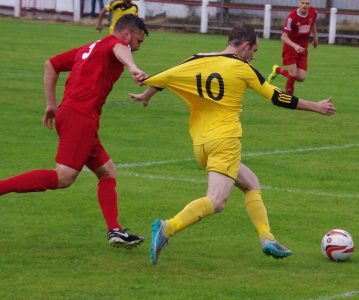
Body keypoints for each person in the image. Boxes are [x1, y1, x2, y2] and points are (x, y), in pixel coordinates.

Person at [130, 23, 336, 265]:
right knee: (216, 202)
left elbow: (169, 76)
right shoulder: (242, 68)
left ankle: (267, 238)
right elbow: (278, 97)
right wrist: (317, 106)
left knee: (251, 183)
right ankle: (167, 228)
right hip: (224, 141)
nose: (253, 56)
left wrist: (147, 94)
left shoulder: (199, 59)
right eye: (254, 51)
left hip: (201, 144)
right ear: (245, 46)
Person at [0, 15, 149, 249]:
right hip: (80, 117)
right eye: (138, 42)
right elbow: (120, 47)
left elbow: (51, 64)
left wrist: (51, 104)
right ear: (127, 34)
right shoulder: (115, 44)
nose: (138, 48)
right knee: (63, 177)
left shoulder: (89, 48)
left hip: (71, 114)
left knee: (107, 172)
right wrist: (133, 67)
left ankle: (115, 230)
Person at [267, 0, 318, 95]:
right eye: (302, 3)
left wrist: (315, 37)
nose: (305, 5)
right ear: (299, 3)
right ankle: (289, 95)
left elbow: (313, 23)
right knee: (293, 73)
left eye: (307, 3)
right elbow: (283, 36)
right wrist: (295, 46)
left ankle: (278, 70)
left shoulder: (313, 12)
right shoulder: (292, 17)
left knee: (301, 77)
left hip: (303, 48)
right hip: (290, 47)